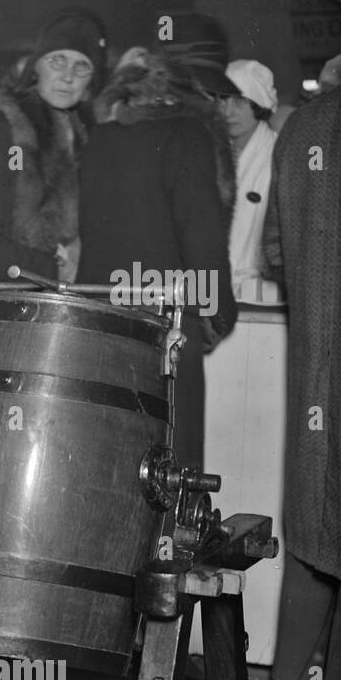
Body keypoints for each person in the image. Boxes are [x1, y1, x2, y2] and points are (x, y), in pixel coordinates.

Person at [261, 24, 341, 680]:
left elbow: (273, 249)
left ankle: (290, 676)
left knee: (316, 503)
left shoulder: (307, 122)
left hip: (319, 351)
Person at [75, 43, 237, 473]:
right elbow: (200, 234)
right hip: (166, 318)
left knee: (111, 449)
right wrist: (217, 313)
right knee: (170, 455)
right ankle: (169, 540)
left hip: (102, 317)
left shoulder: (98, 139)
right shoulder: (188, 135)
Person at [0, 8, 107, 286]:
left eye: (82, 66)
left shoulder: (83, 137)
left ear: (92, 78)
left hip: (39, 305)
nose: (68, 76)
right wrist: (65, 272)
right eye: (57, 60)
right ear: (36, 65)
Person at [220, 60, 280, 305]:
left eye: (241, 102)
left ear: (259, 104)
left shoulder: (277, 153)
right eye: (224, 100)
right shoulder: (216, 153)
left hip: (261, 298)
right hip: (221, 292)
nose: (229, 112)